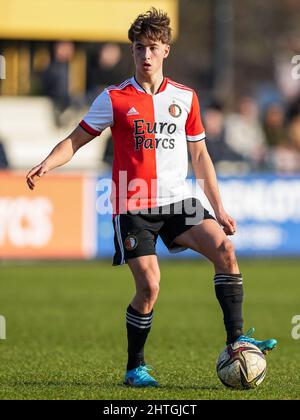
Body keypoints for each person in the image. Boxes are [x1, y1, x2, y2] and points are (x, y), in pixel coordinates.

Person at [26, 8, 277, 388]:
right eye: (139, 47)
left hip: (177, 200)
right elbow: (76, 140)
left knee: (225, 250)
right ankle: (135, 367)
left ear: (166, 51)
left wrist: (219, 207)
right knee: (149, 286)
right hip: (133, 204)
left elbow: (200, 156)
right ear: (132, 51)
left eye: (152, 47)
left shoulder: (185, 98)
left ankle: (236, 340)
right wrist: (48, 162)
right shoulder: (113, 98)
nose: (145, 55)